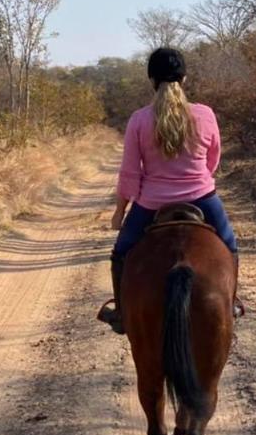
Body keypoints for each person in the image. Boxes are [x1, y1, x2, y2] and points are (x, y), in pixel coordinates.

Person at [97, 47, 239, 334]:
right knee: (230, 245)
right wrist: (196, 179)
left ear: (151, 80)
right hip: (203, 197)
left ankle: (122, 312)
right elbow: (213, 159)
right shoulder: (206, 114)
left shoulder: (139, 119)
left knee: (121, 252)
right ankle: (232, 304)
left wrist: (119, 212)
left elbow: (130, 173)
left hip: (151, 203)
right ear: (184, 78)